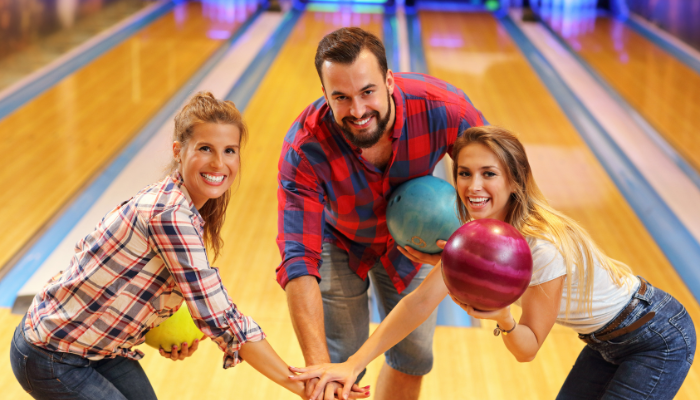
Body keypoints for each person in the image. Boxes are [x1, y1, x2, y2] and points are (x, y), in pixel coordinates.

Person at [289, 125, 697, 400]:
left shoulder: (541, 247)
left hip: (655, 337)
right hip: (606, 341)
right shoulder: (476, 233)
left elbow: (527, 349)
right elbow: (416, 303)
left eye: (489, 174)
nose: (474, 186)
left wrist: (502, 316)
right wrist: (352, 364)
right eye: (464, 173)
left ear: (515, 181)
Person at [9, 92, 368, 400]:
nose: (219, 163)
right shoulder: (170, 215)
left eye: (230, 150)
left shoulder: (185, 206)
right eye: (205, 149)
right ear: (179, 151)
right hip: (52, 353)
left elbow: (132, 285)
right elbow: (221, 317)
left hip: (98, 348)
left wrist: (161, 328)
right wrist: (302, 384)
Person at [276, 27, 487, 400]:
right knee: (339, 359)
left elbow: (496, 180)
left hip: (416, 237)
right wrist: (322, 371)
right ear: (324, 94)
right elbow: (298, 261)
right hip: (339, 240)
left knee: (414, 356)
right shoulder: (304, 148)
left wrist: (468, 244)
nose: (357, 111)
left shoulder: (445, 109)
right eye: (340, 97)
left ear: (389, 81)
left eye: (367, 92)